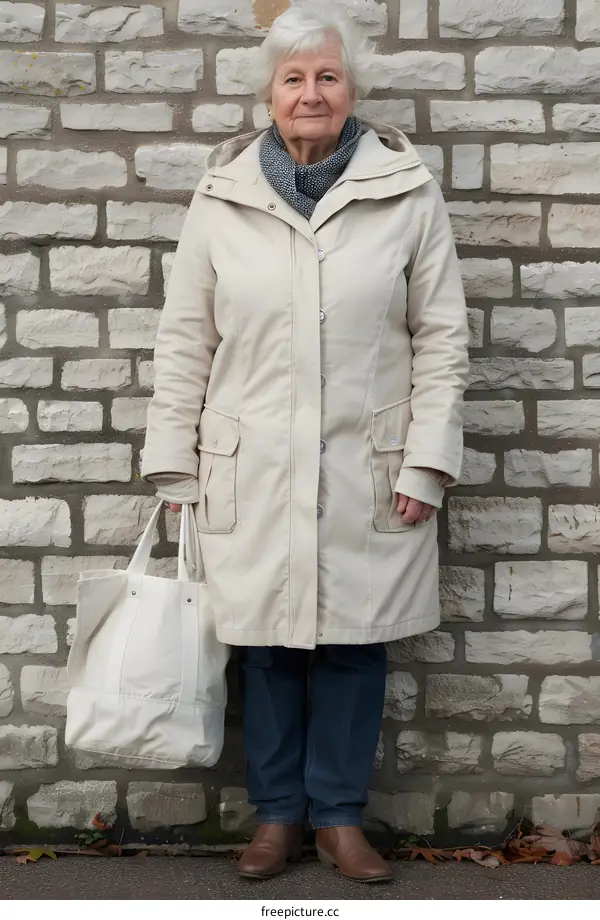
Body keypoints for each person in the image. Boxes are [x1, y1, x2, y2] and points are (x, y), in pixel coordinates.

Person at [141, 2, 469, 884]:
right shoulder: (222, 194)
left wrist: (428, 462)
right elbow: (186, 339)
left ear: (352, 88)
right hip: (251, 467)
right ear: (270, 95)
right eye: (293, 79)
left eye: (327, 76)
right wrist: (174, 462)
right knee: (267, 644)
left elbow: (441, 337)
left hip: (369, 465)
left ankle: (339, 819)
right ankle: (277, 817)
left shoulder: (406, 190)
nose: (311, 94)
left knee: (356, 646)